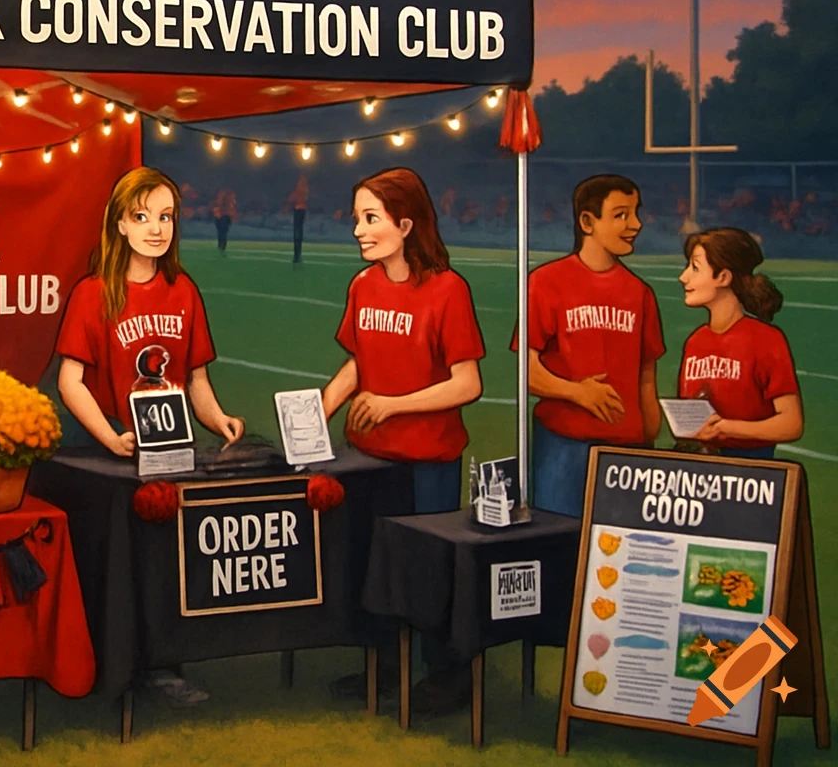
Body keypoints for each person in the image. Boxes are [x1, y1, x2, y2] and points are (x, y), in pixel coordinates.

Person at [55, 166, 245, 707]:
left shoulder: (182, 290)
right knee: (122, 567)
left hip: (173, 454)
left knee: (170, 564)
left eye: (165, 217)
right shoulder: (93, 294)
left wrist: (220, 420)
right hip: (113, 459)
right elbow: (71, 381)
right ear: (120, 223)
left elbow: (195, 380)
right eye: (142, 217)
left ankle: (166, 667)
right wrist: (111, 437)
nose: (156, 229)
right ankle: (115, 667)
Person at [319, 167, 485, 713]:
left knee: (430, 569)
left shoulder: (447, 289)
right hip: (368, 459)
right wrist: (319, 409)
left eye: (370, 219)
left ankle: (448, 674)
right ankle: (387, 665)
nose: (358, 231)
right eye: (357, 219)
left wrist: (393, 403)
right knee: (373, 565)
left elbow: (468, 382)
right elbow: (357, 361)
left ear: (406, 223)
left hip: (427, 461)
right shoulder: (362, 286)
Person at [519, 175, 665, 518]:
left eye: (634, 214)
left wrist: (649, 439)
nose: (635, 225)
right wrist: (577, 393)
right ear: (587, 221)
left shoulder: (639, 292)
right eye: (621, 215)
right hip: (564, 444)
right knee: (559, 544)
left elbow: (647, 373)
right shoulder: (546, 282)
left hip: (626, 450)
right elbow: (526, 369)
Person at [678, 228, 802, 458]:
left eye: (695, 268)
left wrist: (728, 428)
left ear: (723, 277)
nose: (683, 277)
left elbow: (791, 423)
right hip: (700, 471)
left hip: (750, 475)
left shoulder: (766, 339)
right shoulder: (695, 342)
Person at [288, 175, 309, 264]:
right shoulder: (305, 191)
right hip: (301, 210)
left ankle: (296, 255)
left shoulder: (300, 191)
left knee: (297, 232)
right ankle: (297, 255)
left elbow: (291, 200)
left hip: (298, 210)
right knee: (299, 232)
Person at [211, 187, 236, 254]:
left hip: (223, 216)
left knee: (222, 233)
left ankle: (221, 246)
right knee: (222, 233)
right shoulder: (220, 201)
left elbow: (231, 208)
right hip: (221, 216)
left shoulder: (227, 200)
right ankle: (221, 246)